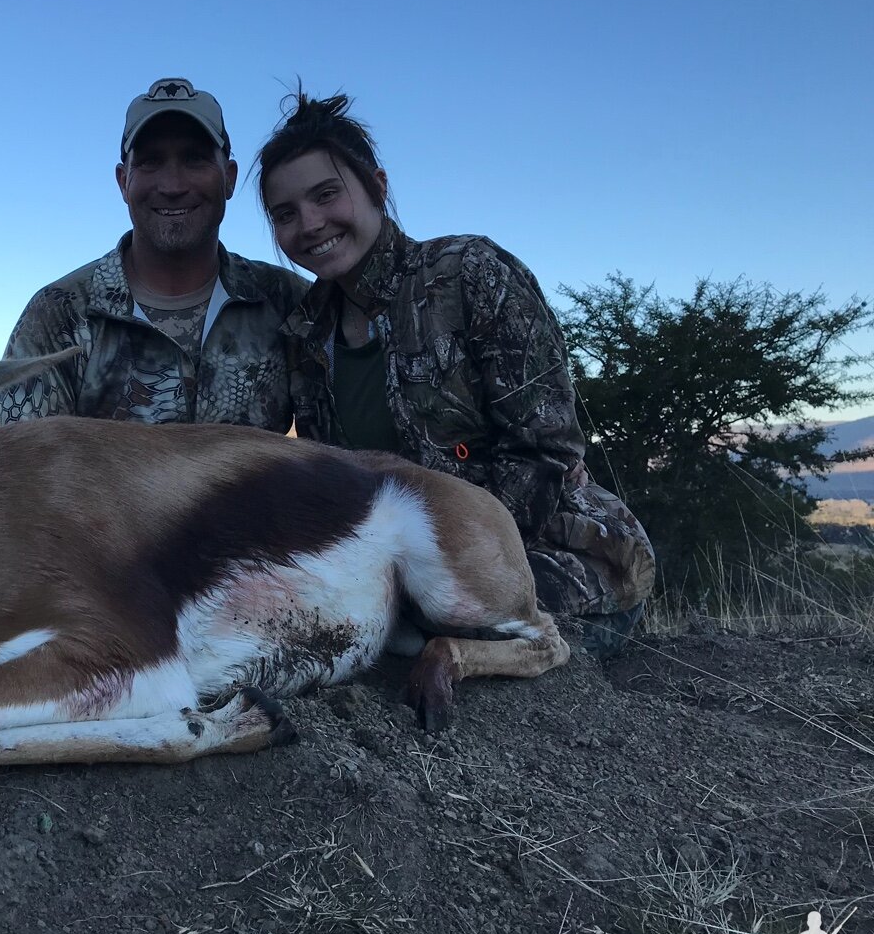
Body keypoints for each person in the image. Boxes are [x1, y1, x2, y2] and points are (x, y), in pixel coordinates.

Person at [255, 92, 655, 655]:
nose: (311, 224)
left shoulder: (469, 274)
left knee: (442, 622)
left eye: (326, 195)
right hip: (399, 568)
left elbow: (546, 454)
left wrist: (433, 567)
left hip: (542, 553)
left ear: (377, 185)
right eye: (286, 214)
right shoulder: (304, 332)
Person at [0, 78, 310, 430]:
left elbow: (339, 454)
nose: (172, 186)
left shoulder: (287, 302)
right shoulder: (58, 315)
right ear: (123, 182)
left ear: (229, 178)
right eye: (150, 162)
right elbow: (17, 473)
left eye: (195, 159)